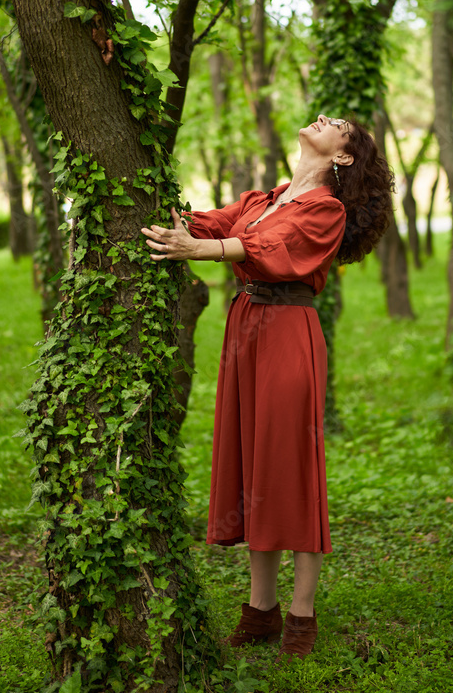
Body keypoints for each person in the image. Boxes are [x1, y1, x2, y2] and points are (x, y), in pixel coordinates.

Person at [141, 113, 394, 658]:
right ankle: (261, 611)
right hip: (247, 327)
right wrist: (167, 217)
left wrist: (203, 251)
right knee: (253, 461)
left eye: (339, 125)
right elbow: (213, 223)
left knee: (289, 464)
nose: (322, 117)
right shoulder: (265, 199)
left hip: (288, 331)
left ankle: (301, 616)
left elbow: (271, 251)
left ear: (343, 156)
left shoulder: (325, 209)